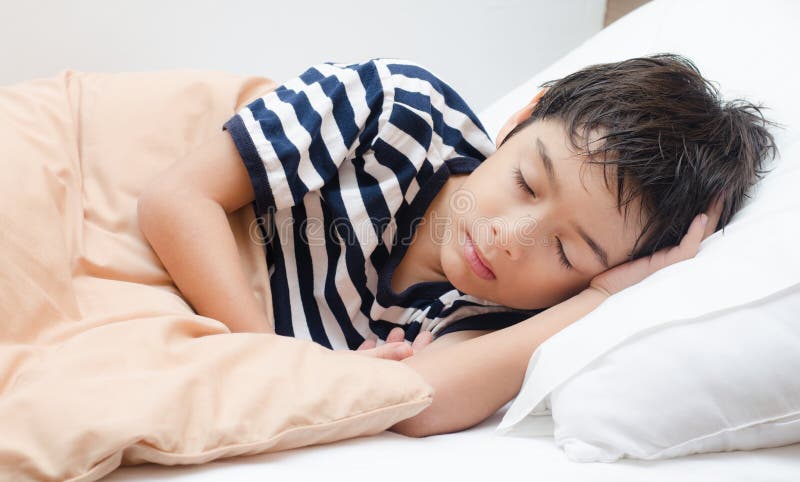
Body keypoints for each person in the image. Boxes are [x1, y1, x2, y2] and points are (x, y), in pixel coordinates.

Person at [137, 54, 776, 437]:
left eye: (566, 252)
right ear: (521, 119)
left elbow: (418, 404)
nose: (508, 239)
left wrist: (603, 299)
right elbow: (176, 199)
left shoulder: (500, 311)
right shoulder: (392, 111)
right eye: (527, 182)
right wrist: (280, 362)